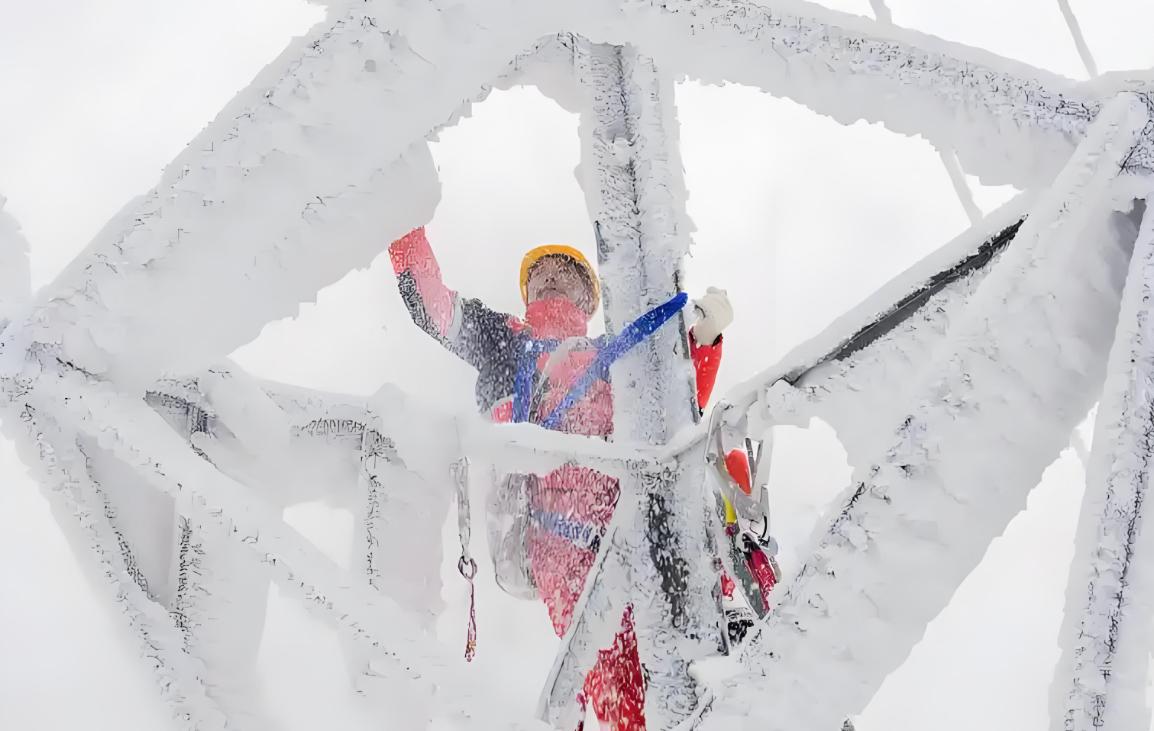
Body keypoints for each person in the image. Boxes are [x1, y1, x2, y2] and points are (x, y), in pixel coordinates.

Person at [388, 226, 735, 730]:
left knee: (691, 612)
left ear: (588, 297)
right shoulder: (503, 342)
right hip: (557, 535)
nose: (552, 279)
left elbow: (674, 414)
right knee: (616, 673)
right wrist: (404, 219)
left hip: (631, 520)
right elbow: (432, 305)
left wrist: (703, 342)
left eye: (566, 273)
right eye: (541, 274)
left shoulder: (616, 354)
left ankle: (735, 636)